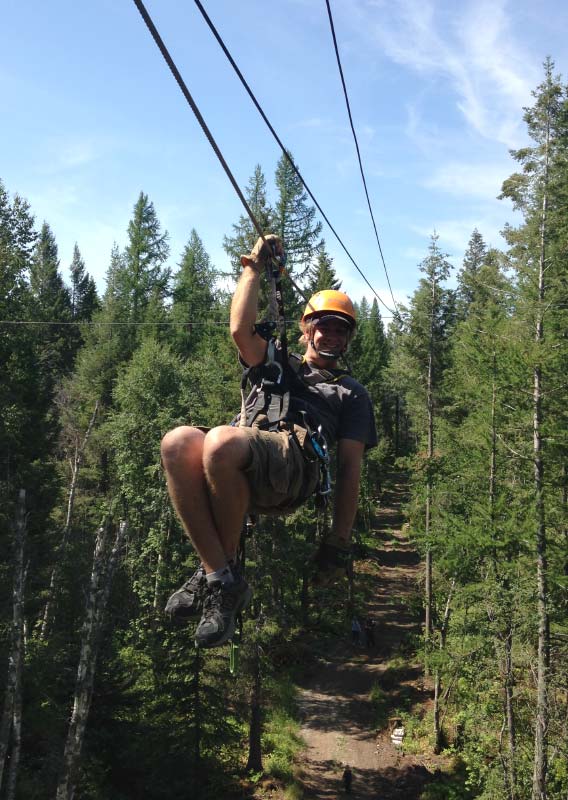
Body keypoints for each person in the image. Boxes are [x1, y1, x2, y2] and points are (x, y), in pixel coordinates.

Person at [161, 234, 377, 648]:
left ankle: (220, 579)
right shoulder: (278, 362)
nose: (332, 337)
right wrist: (252, 268)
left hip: (298, 467)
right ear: (306, 331)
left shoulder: (352, 393)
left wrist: (339, 540)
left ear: (348, 340)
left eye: (340, 331)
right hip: (251, 453)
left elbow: (351, 471)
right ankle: (219, 574)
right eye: (324, 327)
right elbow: (241, 330)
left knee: (221, 442)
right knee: (177, 442)